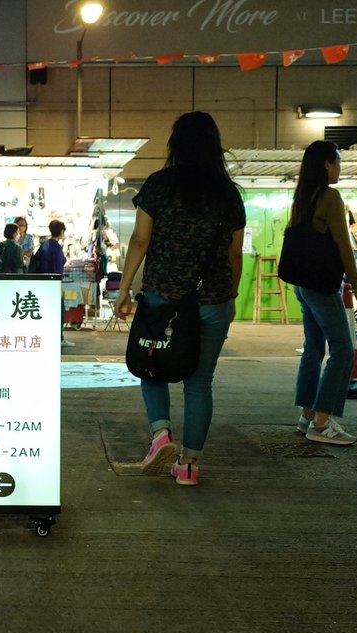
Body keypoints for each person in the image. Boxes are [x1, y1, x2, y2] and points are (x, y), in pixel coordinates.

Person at [114, 112, 244, 485]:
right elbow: (235, 254)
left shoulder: (159, 186)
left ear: (176, 145)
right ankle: (188, 466)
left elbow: (140, 240)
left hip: (163, 299)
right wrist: (229, 295)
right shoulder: (228, 193)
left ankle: (160, 435)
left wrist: (124, 289)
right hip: (213, 299)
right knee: (200, 382)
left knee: (151, 366)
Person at [288, 141, 357, 446]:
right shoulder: (331, 197)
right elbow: (342, 247)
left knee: (313, 349)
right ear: (326, 164)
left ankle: (307, 414)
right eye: (338, 162)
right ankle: (322, 422)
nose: (340, 167)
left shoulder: (302, 197)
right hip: (323, 286)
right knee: (344, 349)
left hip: (302, 284)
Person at [41, 219, 72, 347]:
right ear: (61, 231)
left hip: (44, 283)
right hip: (54, 284)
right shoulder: (56, 247)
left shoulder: (45, 244)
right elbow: (59, 267)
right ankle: (59, 338)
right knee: (59, 311)